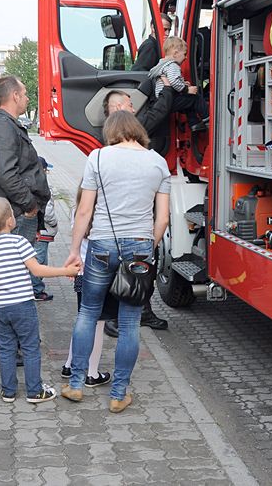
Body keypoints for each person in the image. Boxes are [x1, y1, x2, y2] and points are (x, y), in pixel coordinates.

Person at [61, 111, 170, 412]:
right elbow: (162, 218)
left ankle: (76, 385)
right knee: (130, 322)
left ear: (111, 131)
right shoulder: (158, 162)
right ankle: (119, 393)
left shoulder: (97, 158)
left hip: (101, 246)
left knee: (88, 313)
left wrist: (73, 250)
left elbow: (85, 211)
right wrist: (149, 247)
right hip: (139, 248)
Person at [0, 197, 78, 403]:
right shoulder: (19, 242)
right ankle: (34, 391)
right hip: (23, 305)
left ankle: (8, 391)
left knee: (6, 348)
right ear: (10, 221)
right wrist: (65, 270)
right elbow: (37, 269)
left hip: (0, 307)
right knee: (30, 347)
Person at [0, 75, 51, 365]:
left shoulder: (6, 125)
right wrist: (29, 203)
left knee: (14, 282)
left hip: (17, 212)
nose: (27, 98)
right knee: (10, 283)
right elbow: (6, 173)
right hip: (16, 214)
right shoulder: (2, 128)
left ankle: (3, 346)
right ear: (13, 97)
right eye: (24, 93)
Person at [100, 88, 172, 335]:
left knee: (133, 273)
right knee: (125, 271)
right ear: (120, 108)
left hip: (115, 230)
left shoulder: (107, 146)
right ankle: (117, 318)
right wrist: (168, 90)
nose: (134, 109)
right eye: (130, 104)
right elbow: (157, 115)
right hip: (128, 227)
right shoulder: (123, 138)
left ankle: (141, 311)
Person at [60, 185, 112, 387]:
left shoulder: (77, 212)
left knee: (82, 320)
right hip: (99, 272)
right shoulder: (103, 215)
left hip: (81, 271)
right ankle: (92, 372)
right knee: (97, 324)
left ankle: (69, 364)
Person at [147, 37, 205, 125]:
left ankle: (194, 123)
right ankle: (207, 118)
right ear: (175, 53)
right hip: (169, 100)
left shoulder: (162, 65)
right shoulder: (173, 65)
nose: (186, 57)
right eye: (185, 54)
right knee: (195, 98)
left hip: (162, 100)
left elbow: (171, 81)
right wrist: (187, 89)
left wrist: (183, 84)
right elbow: (174, 82)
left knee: (187, 102)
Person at [31, 157, 58, 301]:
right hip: (44, 231)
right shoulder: (42, 186)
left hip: (41, 231)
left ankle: (36, 287)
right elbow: (47, 211)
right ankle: (36, 290)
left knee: (41, 260)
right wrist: (53, 222)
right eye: (46, 170)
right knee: (39, 261)